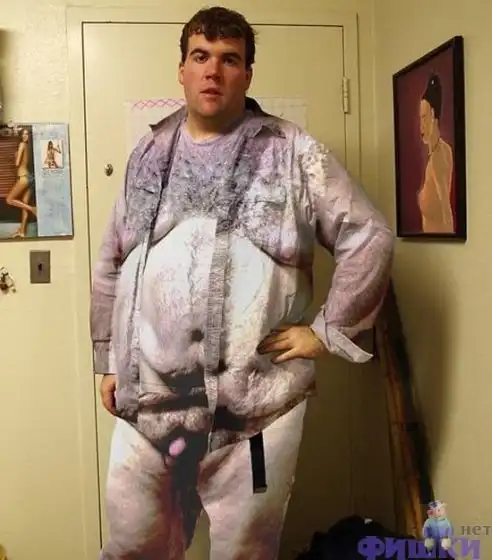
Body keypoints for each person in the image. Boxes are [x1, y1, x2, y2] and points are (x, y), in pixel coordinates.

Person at [90, 6, 395, 559]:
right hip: (148, 404)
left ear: (248, 74)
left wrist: (326, 332)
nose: (213, 71)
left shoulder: (292, 151)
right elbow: (113, 258)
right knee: (133, 547)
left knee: (244, 553)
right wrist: (109, 359)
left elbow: (368, 235)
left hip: (255, 411)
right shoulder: (147, 153)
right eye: (200, 56)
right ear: (182, 69)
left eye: (229, 59)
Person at [417, 73, 454, 233]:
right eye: (420, 119)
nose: (421, 125)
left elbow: (446, 211)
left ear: (433, 115)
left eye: (424, 117)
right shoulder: (441, 150)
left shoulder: (439, 156)